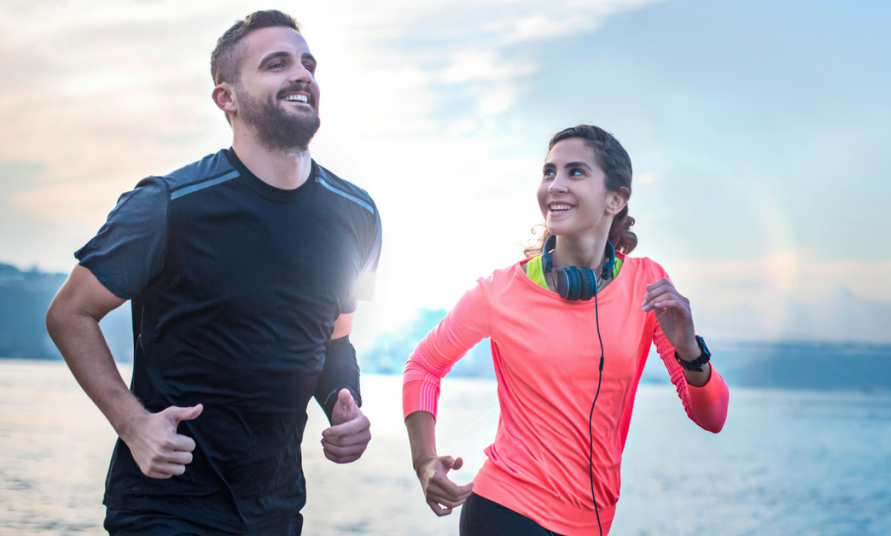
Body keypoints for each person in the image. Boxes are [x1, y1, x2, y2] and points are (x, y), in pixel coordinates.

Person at [45, 10, 380, 535]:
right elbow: (69, 313)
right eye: (276, 64)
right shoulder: (168, 204)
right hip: (164, 505)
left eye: (308, 63)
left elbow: (334, 339)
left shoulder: (357, 214)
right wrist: (133, 425)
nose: (302, 75)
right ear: (226, 98)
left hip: (276, 507)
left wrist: (347, 409)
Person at [403, 125, 729, 536]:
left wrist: (688, 350)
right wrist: (424, 460)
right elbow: (423, 367)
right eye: (548, 172)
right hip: (505, 511)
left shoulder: (648, 285)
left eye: (575, 172)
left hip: (592, 523)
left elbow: (712, 417)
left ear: (616, 198)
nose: (555, 185)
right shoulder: (499, 291)